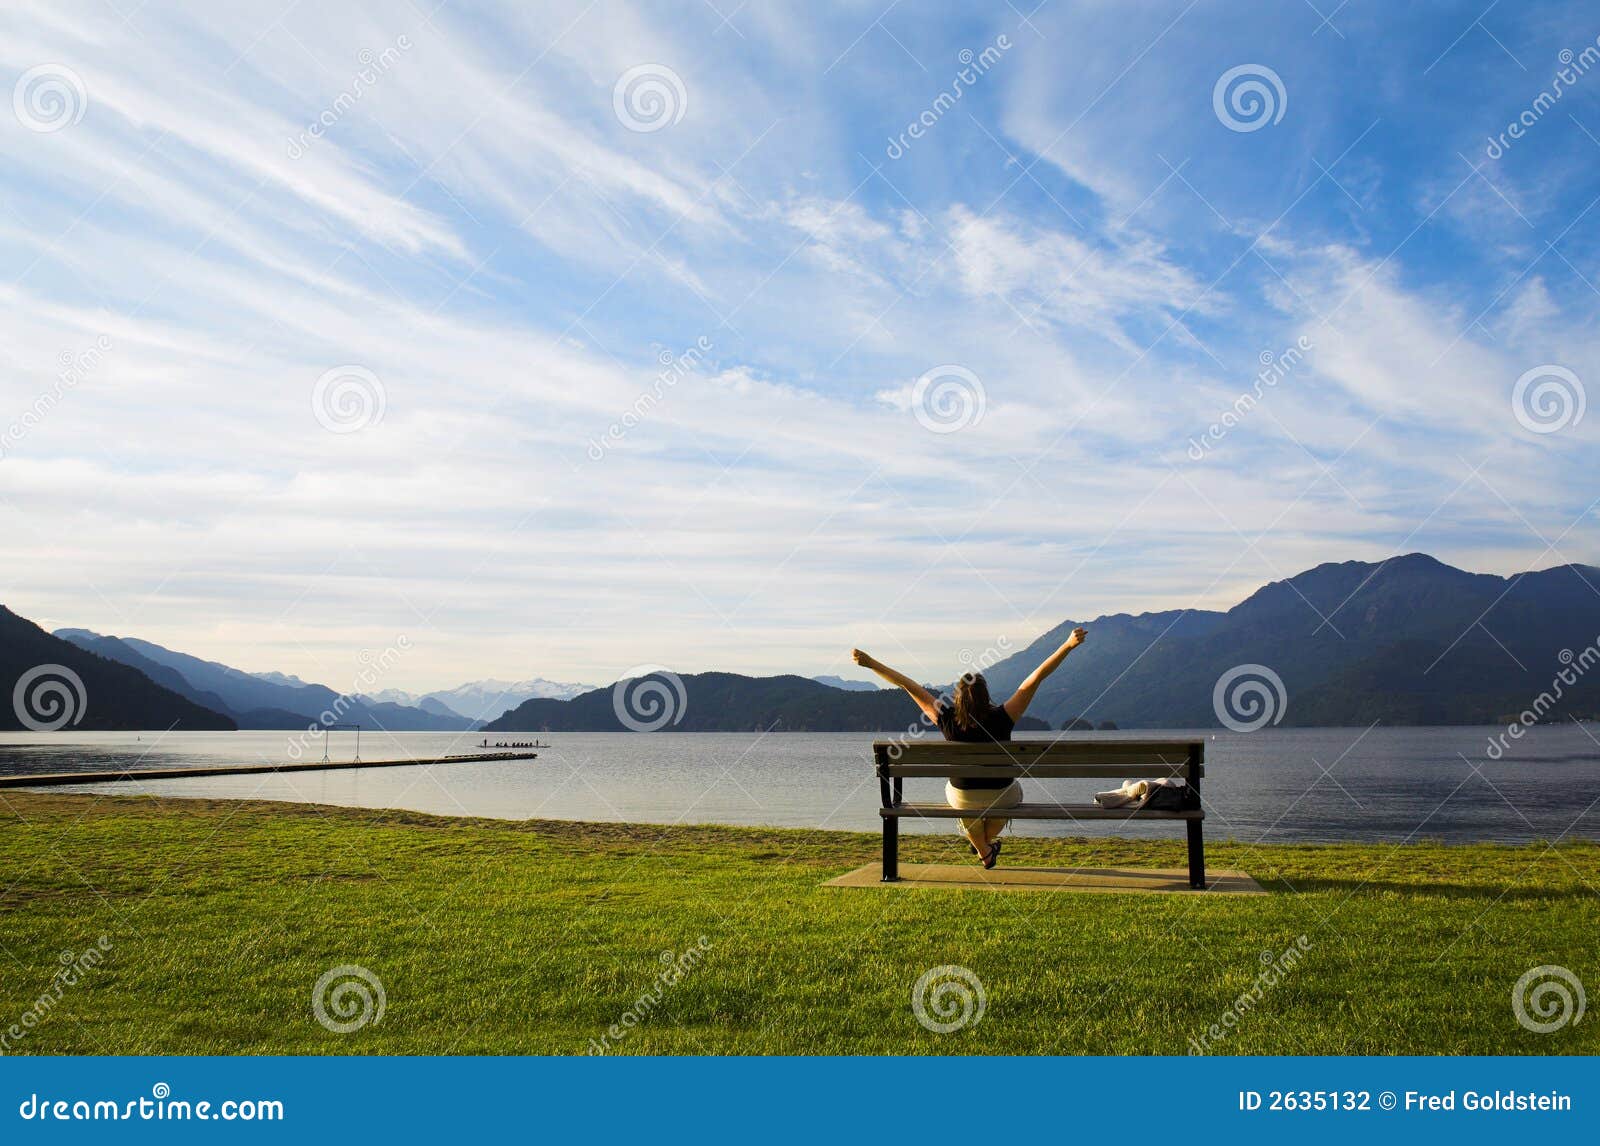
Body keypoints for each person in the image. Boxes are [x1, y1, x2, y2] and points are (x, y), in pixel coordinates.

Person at [851, 627, 1089, 868]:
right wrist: (1067, 645)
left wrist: (872, 663)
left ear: (957, 699)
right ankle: (985, 848)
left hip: (962, 796)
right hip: (1002, 796)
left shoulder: (944, 717)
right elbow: (1035, 678)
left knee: (964, 803)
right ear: (986, 696)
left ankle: (984, 849)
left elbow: (907, 684)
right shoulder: (1004, 716)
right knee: (1011, 794)